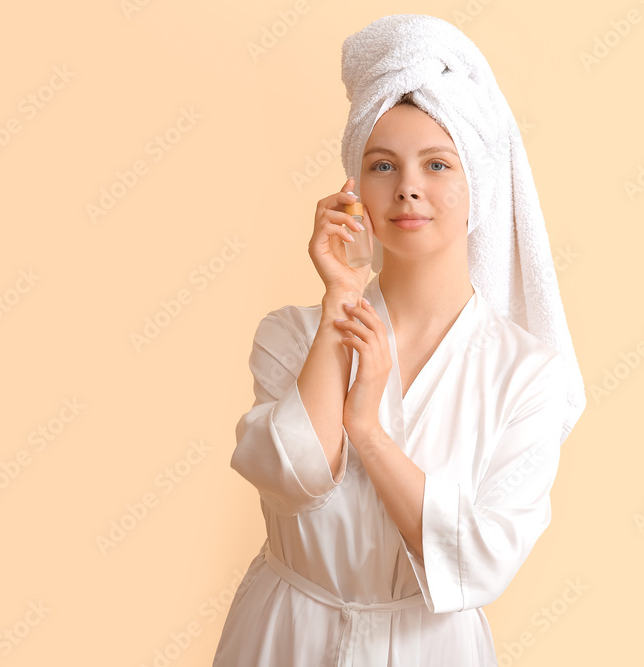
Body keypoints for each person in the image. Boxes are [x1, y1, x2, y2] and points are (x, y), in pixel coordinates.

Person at [213, 15, 584, 667]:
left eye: (437, 164)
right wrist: (341, 301)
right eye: (382, 164)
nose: (408, 186)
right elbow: (289, 475)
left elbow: (483, 560)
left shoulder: (526, 374)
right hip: (283, 638)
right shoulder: (290, 334)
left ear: (479, 191)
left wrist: (370, 431)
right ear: (354, 188)